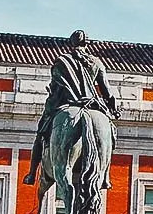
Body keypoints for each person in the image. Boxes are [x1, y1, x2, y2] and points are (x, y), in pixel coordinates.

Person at [23, 30, 120, 186]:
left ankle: (32, 173)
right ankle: (105, 176)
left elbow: (56, 88)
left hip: (67, 104)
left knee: (41, 134)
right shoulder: (97, 63)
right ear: (87, 44)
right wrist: (114, 108)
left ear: (71, 43)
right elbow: (107, 92)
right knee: (111, 134)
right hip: (91, 104)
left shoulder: (62, 61)